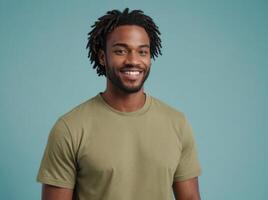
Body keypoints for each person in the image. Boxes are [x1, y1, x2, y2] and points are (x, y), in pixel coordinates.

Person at [37, 8, 202, 200]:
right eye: (120, 51)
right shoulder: (69, 128)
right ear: (102, 57)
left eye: (142, 51)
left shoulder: (177, 123)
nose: (133, 60)